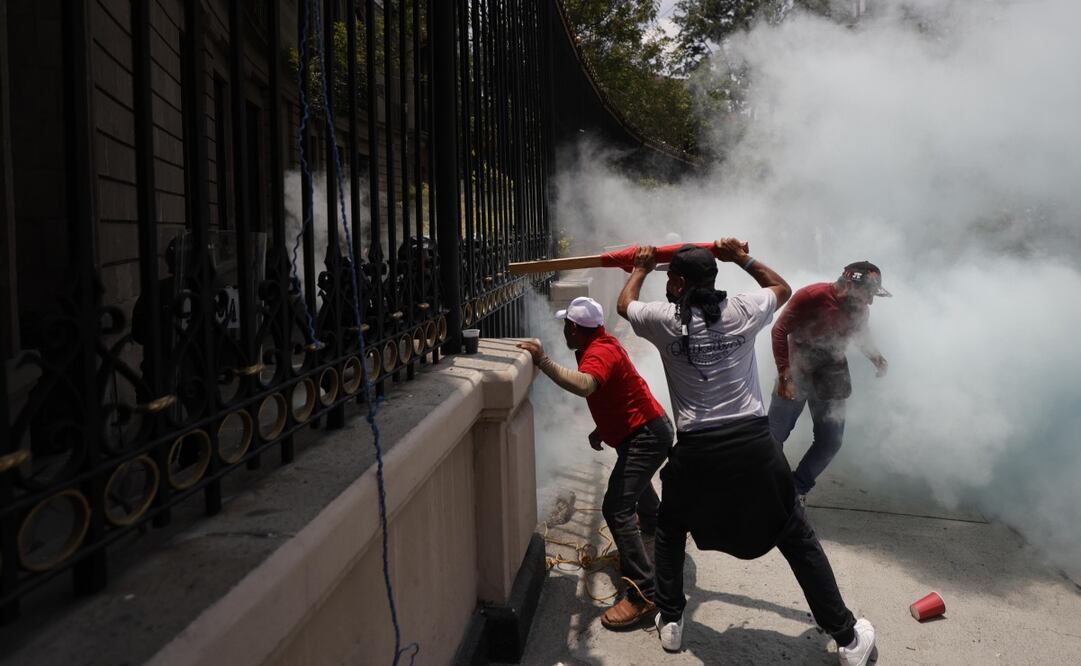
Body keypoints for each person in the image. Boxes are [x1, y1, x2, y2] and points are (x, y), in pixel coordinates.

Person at [618, 240, 876, 665]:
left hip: (697, 450)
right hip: (754, 446)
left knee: (669, 528)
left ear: (679, 283)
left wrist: (641, 268)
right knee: (796, 536)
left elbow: (625, 304)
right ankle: (848, 639)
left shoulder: (662, 320)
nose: (666, 286)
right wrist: (740, 258)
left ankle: (670, 619)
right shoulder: (743, 309)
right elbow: (781, 287)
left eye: (669, 279)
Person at [517, 296, 673, 630]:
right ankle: (653, 533)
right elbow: (617, 393)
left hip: (645, 435)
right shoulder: (603, 344)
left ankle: (643, 593)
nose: (564, 330)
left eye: (566, 325)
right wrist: (603, 428)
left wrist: (542, 361)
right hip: (643, 432)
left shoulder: (600, 351)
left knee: (616, 507)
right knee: (634, 485)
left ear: (575, 328)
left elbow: (587, 385)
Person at [769, 261, 891, 504]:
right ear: (849, 284)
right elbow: (779, 331)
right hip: (798, 367)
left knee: (831, 440)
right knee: (773, 437)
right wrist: (785, 374)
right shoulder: (811, 296)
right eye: (867, 293)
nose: (870, 301)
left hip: (833, 370)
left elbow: (861, 335)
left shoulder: (860, 308)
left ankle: (796, 491)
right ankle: (770, 490)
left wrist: (876, 357)